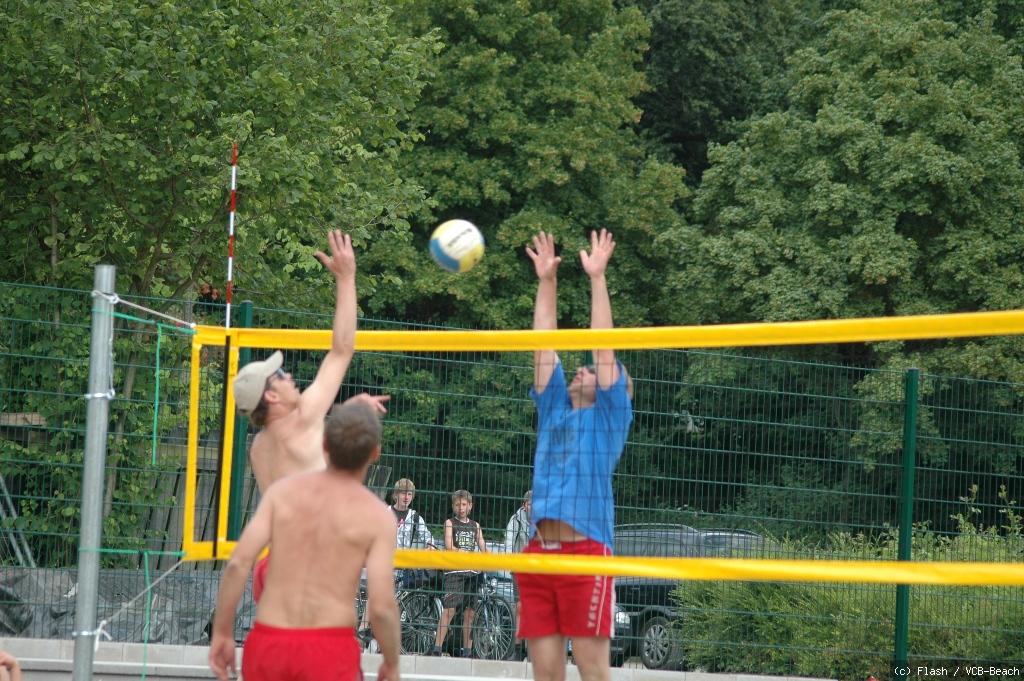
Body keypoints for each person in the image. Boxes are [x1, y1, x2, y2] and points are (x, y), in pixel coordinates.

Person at [231, 229, 388, 600]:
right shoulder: (303, 417)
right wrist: (346, 279)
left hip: (274, 564)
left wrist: (346, 412)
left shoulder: (259, 446)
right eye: (281, 376)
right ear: (272, 396)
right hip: (310, 566)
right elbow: (342, 349)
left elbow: (307, 453)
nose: (290, 377)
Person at [208, 400, 401, 681]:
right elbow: (381, 606)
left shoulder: (282, 493)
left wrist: (222, 633)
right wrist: (391, 662)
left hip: (270, 641)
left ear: (325, 445)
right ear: (375, 453)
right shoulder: (377, 516)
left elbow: (238, 563)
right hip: (329, 647)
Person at [517, 229, 634, 681]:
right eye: (580, 368)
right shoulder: (555, 408)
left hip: (586, 553)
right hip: (539, 552)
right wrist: (547, 281)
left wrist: (597, 278)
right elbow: (543, 343)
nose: (582, 369)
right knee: (546, 676)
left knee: (593, 673)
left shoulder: (608, 418)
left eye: (591, 370)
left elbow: (602, 348)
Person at [359, 478, 437, 646]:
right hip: (384, 562)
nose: (406, 497)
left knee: (393, 606)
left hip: (403, 568)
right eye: (403, 493)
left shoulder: (415, 517)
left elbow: (428, 537)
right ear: (395, 495)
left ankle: (381, 640)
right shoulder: (384, 512)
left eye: (409, 494)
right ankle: (363, 628)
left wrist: (430, 546)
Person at [431, 489, 487, 658]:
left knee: (470, 612)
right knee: (449, 610)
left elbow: (483, 547)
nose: (461, 508)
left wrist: (490, 559)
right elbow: (449, 545)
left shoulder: (475, 526)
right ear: (453, 506)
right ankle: (437, 648)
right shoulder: (450, 523)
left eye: (464, 504)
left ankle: (467, 651)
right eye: (457, 505)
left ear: (470, 506)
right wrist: (459, 551)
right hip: (454, 571)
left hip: (472, 573)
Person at [504, 490, 532, 661]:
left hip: (538, 571)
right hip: (520, 569)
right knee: (520, 608)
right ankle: (518, 649)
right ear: (524, 505)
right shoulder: (516, 519)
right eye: (530, 504)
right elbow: (509, 541)